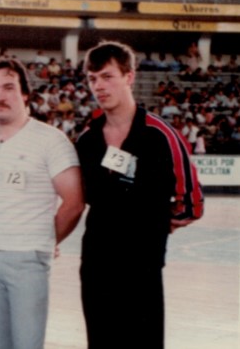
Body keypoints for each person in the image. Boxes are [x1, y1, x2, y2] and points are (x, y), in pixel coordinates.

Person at [75, 41, 204, 349]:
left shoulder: (161, 135)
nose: (99, 86)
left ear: (129, 77)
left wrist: (154, 223)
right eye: (93, 79)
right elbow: (82, 196)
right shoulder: (87, 140)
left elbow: (191, 204)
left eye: (107, 76)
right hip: (96, 265)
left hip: (142, 268)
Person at [0, 58, 84, 349]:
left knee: (27, 344)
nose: (0, 96)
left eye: (9, 87)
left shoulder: (51, 140)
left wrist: (47, 239)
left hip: (28, 258)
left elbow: (74, 201)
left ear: (24, 93)